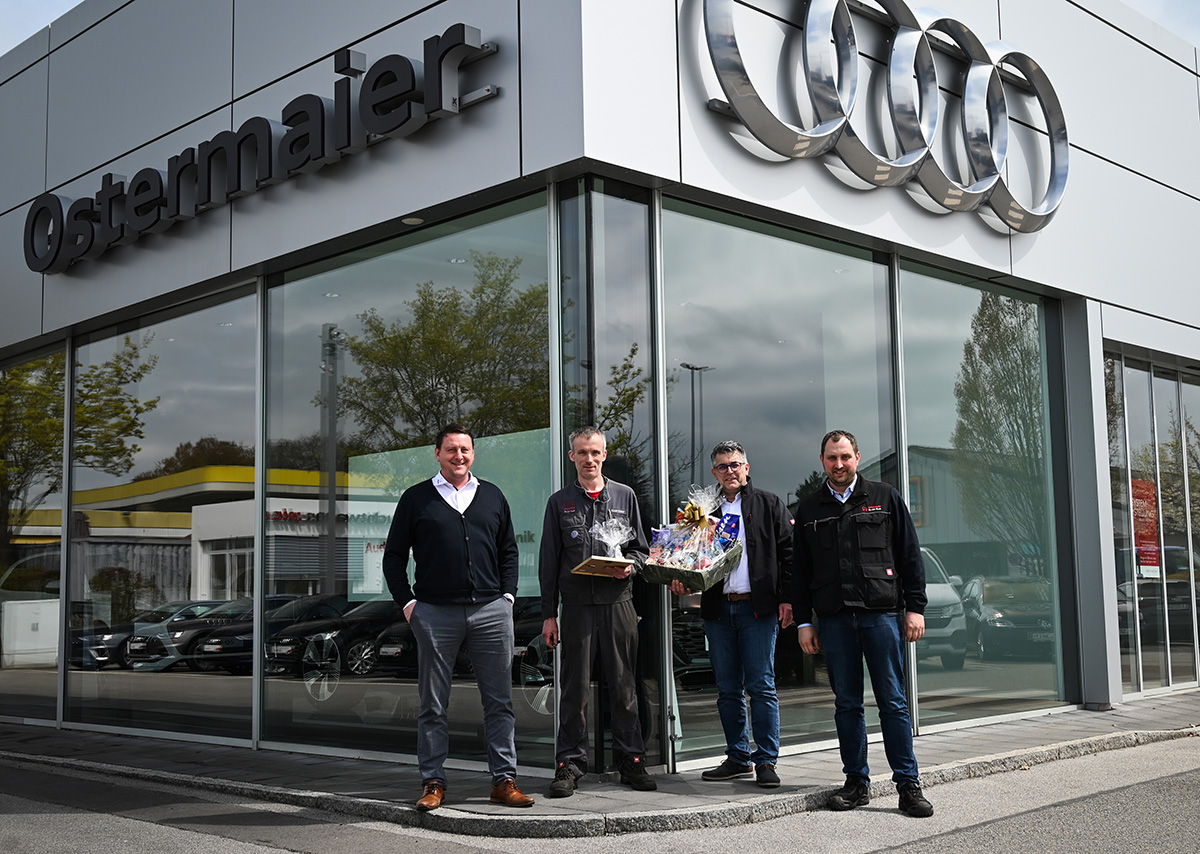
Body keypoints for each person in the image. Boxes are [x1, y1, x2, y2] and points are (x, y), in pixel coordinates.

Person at [382, 424, 534, 812]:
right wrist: (409, 604)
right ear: (437, 454)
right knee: (433, 703)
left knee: (499, 701)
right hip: (434, 613)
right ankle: (433, 782)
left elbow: (509, 552)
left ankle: (504, 781)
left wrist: (507, 597)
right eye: (451, 450)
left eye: (465, 449)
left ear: (473, 453)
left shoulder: (493, 496)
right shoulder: (417, 498)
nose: (459, 456)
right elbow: (394, 557)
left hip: (490, 612)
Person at [791, 430, 933, 818]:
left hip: (881, 617)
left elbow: (909, 556)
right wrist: (805, 622)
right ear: (822, 461)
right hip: (834, 622)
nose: (839, 465)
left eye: (845, 457)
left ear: (857, 457)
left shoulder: (884, 498)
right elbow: (799, 574)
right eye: (831, 458)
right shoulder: (808, 510)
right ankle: (856, 783)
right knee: (847, 705)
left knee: (893, 703)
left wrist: (915, 608)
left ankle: (908, 785)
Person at [669, 440, 795, 788]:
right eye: (722, 466)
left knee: (761, 686)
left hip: (758, 609)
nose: (730, 471)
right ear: (714, 473)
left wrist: (787, 599)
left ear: (747, 467)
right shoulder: (700, 512)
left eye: (735, 464)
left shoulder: (768, 503)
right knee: (727, 689)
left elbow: (790, 554)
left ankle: (766, 760)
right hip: (717, 610)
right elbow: (683, 556)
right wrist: (679, 579)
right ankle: (739, 757)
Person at [539, 426, 656, 797]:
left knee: (624, 687)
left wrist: (631, 566)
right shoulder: (559, 503)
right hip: (575, 608)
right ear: (571, 456)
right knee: (574, 690)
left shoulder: (625, 496)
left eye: (595, 452)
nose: (589, 459)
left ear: (604, 455)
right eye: (582, 452)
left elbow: (642, 549)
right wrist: (548, 614)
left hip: (619, 604)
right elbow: (548, 562)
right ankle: (569, 765)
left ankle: (631, 760)